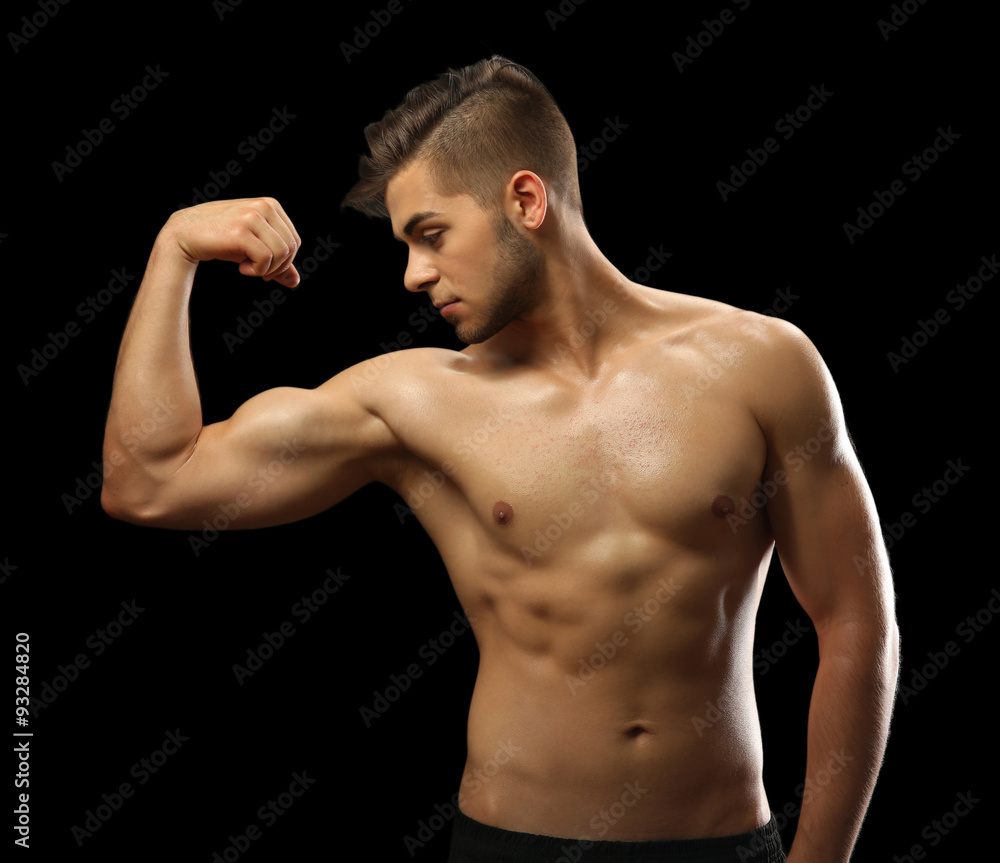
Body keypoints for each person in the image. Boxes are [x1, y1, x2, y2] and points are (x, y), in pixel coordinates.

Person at [101, 56, 900, 862]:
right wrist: (175, 250)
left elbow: (855, 622)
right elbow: (148, 481)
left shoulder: (760, 363)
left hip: (721, 844)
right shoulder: (413, 401)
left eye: (431, 235)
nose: (414, 274)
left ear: (525, 199)